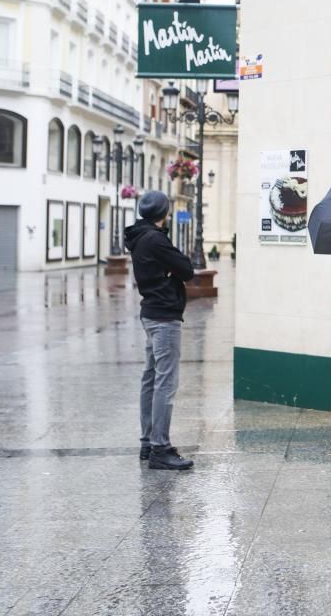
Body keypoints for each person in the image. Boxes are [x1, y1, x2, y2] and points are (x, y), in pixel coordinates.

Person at [123, 191, 196, 471]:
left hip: (151, 312)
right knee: (165, 382)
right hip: (164, 316)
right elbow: (187, 269)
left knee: (150, 378)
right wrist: (173, 270)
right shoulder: (155, 239)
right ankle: (160, 448)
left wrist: (171, 270)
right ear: (164, 212)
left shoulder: (140, 236)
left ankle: (147, 441)